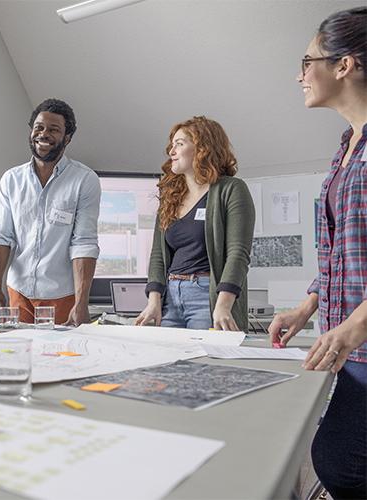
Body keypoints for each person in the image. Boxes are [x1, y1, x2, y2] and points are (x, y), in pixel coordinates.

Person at [268, 7, 367, 498]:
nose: (300, 75)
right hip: (347, 340)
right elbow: (345, 246)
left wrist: (355, 325)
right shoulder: (347, 144)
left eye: (308, 62)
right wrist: (308, 305)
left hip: (361, 338)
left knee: (340, 462)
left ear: (344, 65)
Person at [0, 98, 100, 326]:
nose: (44, 134)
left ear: (67, 138)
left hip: (62, 295)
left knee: (60, 359)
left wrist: (81, 302)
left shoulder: (84, 180)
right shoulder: (11, 179)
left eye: (54, 129)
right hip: (18, 291)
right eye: (39, 127)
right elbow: (1, 236)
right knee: (18, 356)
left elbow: (84, 243)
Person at [136, 116, 254, 332]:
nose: (171, 152)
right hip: (169, 297)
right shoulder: (170, 196)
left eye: (179, 144)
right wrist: (153, 301)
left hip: (206, 296)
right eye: (172, 145)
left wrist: (223, 305)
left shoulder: (231, 190)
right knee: (165, 363)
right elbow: (157, 255)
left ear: (203, 148)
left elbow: (238, 254)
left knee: (203, 364)